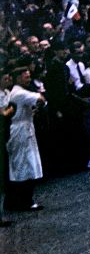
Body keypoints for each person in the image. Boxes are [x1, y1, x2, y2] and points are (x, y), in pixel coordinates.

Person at [5, 64, 47, 212]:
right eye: (25, 76)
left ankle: (16, 201)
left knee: (21, 164)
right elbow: (40, 99)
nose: (28, 78)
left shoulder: (18, 92)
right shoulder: (20, 93)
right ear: (17, 78)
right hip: (20, 130)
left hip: (23, 127)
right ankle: (24, 201)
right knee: (24, 164)